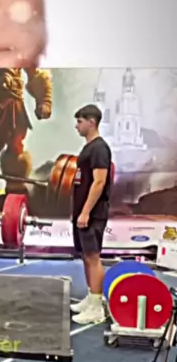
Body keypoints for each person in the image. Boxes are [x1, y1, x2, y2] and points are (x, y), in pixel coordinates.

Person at [71, 104, 113, 325]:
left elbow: (99, 182)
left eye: (79, 121)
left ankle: (96, 308)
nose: (76, 126)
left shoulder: (99, 148)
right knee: (86, 256)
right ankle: (91, 297)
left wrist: (86, 211)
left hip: (93, 214)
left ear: (91, 122)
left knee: (93, 257)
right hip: (82, 212)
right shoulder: (88, 148)